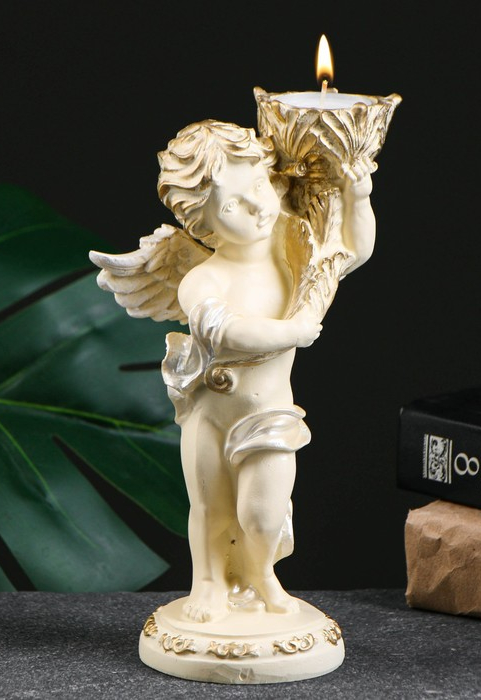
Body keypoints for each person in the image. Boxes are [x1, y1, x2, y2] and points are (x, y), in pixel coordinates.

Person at [90, 119, 375, 623]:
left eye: (260, 186)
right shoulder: (202, 279)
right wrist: (291, 331)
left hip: (270, 415)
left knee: (262, 515)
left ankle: (262, 573)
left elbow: (352, 252)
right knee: (212, 509)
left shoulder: (295, 249)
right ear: (202, 224)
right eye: (231, 207)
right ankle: (207, 582)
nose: (257, 207)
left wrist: (358, 198)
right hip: (211, 414)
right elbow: (224, 331)